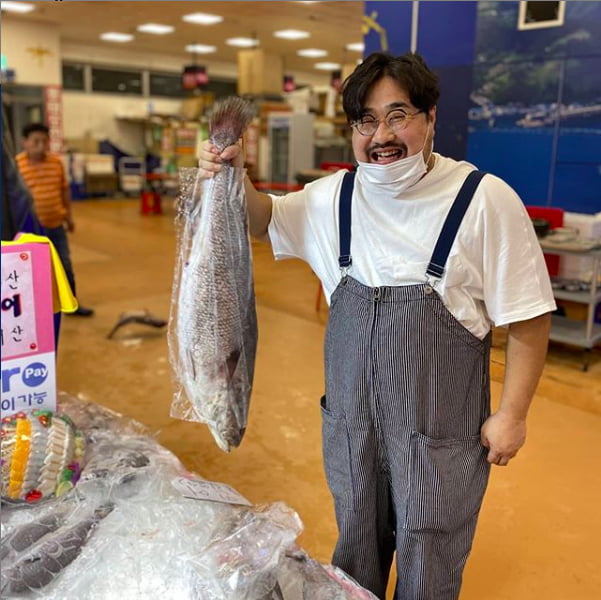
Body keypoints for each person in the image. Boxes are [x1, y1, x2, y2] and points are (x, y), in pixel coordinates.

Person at [198, 52, 555, 600]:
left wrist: (512, 415)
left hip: (440, 437)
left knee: (430, 552)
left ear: (430, 118)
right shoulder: (331, 198)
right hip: (353, 431)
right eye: (365, 120)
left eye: (398, 115)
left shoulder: (483, 200)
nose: (381, 135)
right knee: (356, 546)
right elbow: (263, 219)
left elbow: (529, 315)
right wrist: (230, 176)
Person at [16, 123, 94, 316]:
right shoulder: (16, 165)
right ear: (24, 142)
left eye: (45, 141)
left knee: (65, 265)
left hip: (56, 225)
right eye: (36, 141)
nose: (41, 145)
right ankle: (32, 310)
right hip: (29, 230)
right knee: (30, 271)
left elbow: (64, 191)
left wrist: (69, 217)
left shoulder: (55, 163)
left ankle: (71, 305)